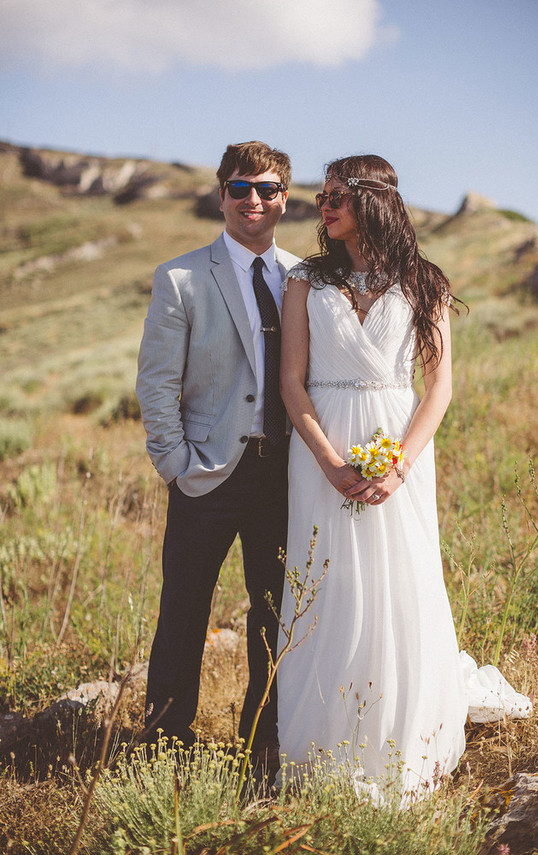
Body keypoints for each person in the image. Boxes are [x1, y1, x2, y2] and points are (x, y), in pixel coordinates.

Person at [276, 154, 468, 799]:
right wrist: (329, 461)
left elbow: (438, 386)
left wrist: (400, 466)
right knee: (328, 584)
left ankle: (400, 734)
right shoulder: (305, 281)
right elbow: (291, 383)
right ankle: (321, 748)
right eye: (322, 196)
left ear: (372, 200)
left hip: (398, 440)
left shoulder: (423, 282)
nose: (323, 207)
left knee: (399, 580)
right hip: (321, 443)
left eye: (336, 196)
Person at [136, 141, 299, 768]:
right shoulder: (180, 277)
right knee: (183, 608)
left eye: (265, 188)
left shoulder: (303, 279)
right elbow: (157, 381)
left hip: (283, 474)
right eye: (239, 188)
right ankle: (165, 746)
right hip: (205, 472)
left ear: (284, 197)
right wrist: (174, 462)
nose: (252, 200)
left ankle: (262, 743)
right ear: (220, 193)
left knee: (272, 614)